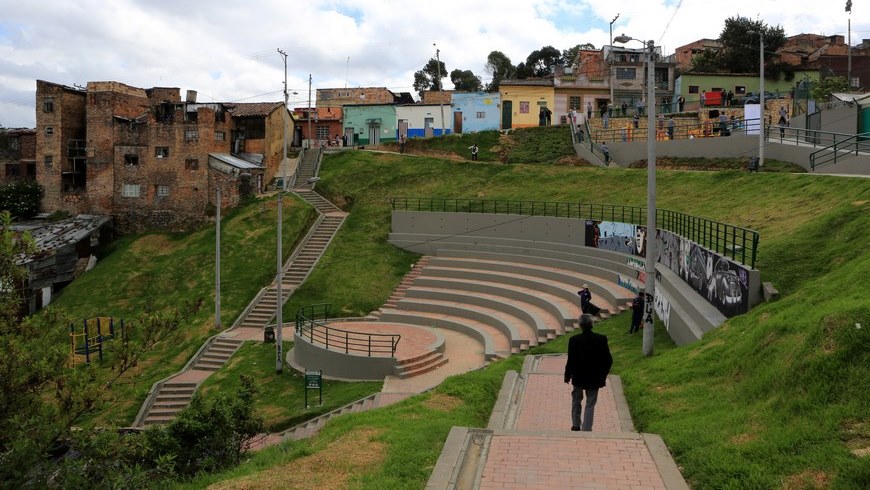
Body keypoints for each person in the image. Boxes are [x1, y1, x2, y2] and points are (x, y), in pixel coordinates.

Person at [564, 314, 613, 432]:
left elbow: (571, 360)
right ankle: (587, 428)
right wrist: (603, 375)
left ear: (580, 325)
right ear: (592, 324)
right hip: (594, 378)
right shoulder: (601, 339)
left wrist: (567, 375)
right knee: (590, 403)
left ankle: (576, 425)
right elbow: (608, 360)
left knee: (576, 400)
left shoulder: (574, 340)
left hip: (578, 377)